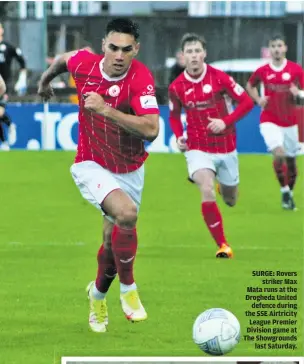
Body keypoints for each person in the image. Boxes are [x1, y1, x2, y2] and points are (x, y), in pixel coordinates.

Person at [37, 18, 159, 333]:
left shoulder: (140, 77)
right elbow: (65, 60)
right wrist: (45, 80)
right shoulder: (86, 65)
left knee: (110, 243)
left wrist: (106, 110)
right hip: (91, 163)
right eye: (114, 47)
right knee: (127, 214)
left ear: (136, 49)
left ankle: (97, 294)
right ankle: (129, 290)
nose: (119, 56)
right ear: (104, 45)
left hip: (130, 168)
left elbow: (152, 129)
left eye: (126, 50)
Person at [168, 33, 254, 258]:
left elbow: (247, 102)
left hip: (225, 147)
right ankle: (223, 245)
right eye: (189, 51)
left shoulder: (220, 78)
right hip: (197, 148)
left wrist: (225, 121)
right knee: (205, 188)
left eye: (197, 51)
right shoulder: (177, 87)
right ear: (182, 56)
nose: (194, 56)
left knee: (230, 200)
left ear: (204, 53)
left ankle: (222, 184)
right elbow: (175, 117)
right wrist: (179, 136)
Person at [246, 34, 304, 211]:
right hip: (269, 119)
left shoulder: (296, 70)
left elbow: (303, 94)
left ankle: (288, 195)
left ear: (285, 48)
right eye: (273, 46)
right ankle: (284, 189)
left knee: (292, 163)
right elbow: (250, 85)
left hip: (291, 122)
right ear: (269, 50)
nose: (277, 49)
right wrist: (258, 99)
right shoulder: (263, 70)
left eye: (280, 46)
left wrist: (298, 94)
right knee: (278, 153)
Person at [0, 22, 27, 150]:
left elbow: (22, 61)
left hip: (4, 85)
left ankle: (9, 127)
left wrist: (22, 79)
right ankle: (4, 141)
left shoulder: (8, 47)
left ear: (2, 30)